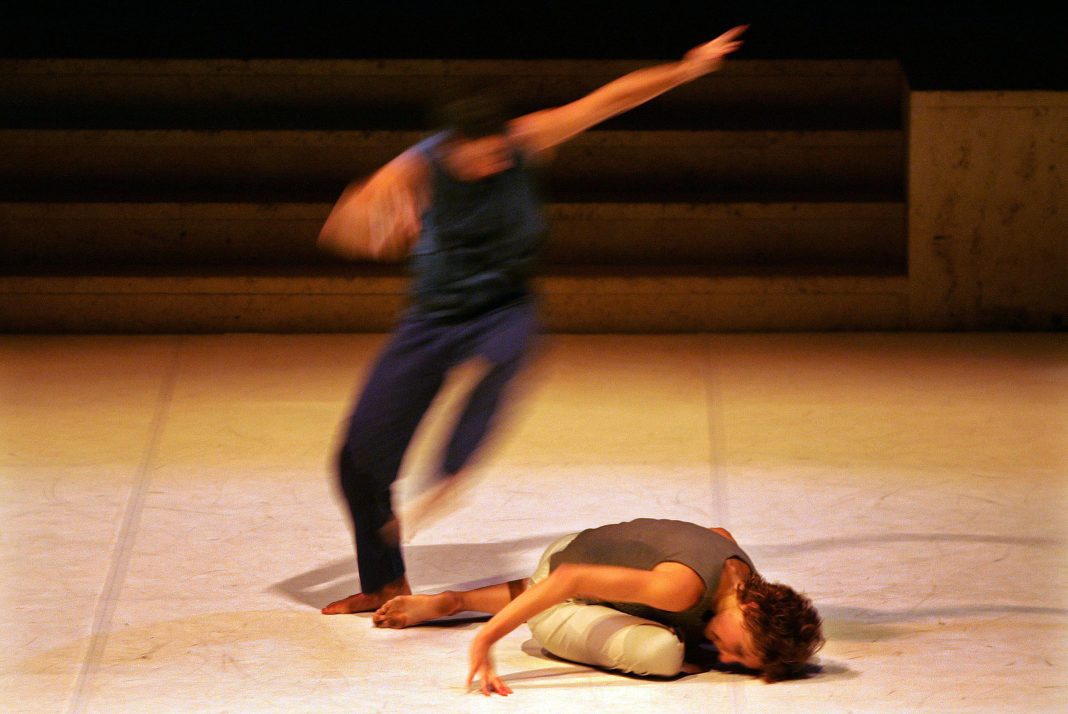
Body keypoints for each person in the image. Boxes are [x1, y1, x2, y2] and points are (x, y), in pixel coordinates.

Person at [317, 26, 748, 615]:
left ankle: (448, 473)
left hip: (506, 308)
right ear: (453, 148)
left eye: (502, 149)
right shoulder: (416, 168)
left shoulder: (525, 139)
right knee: (357, 458)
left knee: (501, 359)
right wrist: (375, 226)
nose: (498, 160)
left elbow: (610, 99)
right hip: (433, 317)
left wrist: (687, 68)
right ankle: (385, 583)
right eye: (484, 154)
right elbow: (341, 227)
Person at [372, 518, 824, 695]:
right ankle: (473, 611)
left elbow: (716, 533)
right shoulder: (681, 589)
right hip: (566, 574)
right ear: (752, 609)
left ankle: (453, 602)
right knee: (663, 653)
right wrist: (486, 639)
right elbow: (569, 580)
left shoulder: (743, 572)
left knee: (673, 623)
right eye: (738, 650)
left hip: (577, 545)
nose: (726, 659)